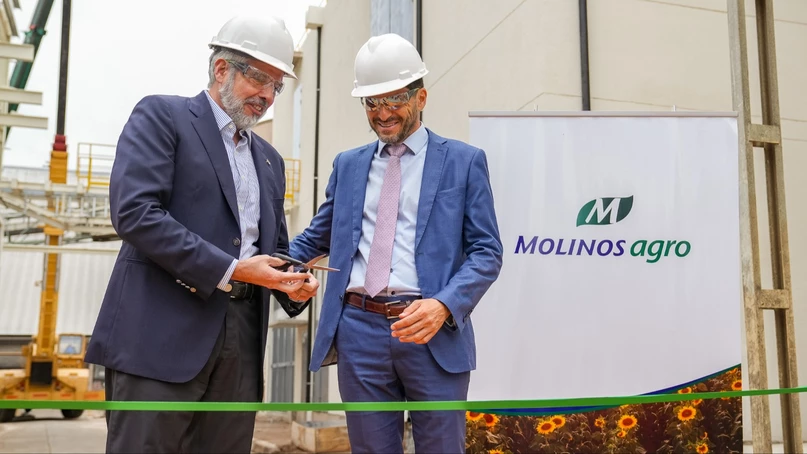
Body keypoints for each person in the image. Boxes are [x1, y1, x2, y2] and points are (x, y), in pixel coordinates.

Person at [84, 15, 319, 454]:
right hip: (159, 337)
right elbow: (135, 213)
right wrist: (232, 269)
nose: (268, 96)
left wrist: (291, 284)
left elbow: (272, 250)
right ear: (221, 69)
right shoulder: (163, 117)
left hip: (241, 344)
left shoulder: (270, 161)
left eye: (277, 86)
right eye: (259, 79)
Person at [288, 33, 503, 453]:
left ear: (421, 97)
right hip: (359, 332)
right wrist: (271, 265)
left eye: (394, 101)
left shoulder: (464, 162)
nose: (382, 113)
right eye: (372, 103)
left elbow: (487, 252)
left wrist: (444, 305)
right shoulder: (347, 165)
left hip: (431, 329)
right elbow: (317, 236)